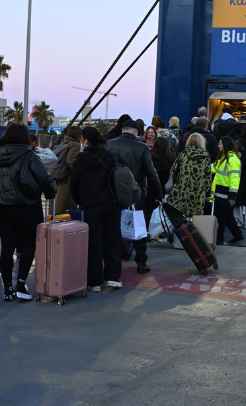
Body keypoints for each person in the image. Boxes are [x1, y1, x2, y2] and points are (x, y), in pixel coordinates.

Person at [0, 122, 56, 300]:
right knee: (28, 245)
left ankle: (7, 288)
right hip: (25, 206)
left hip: (0, 208)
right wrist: (50, 193)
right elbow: (43, 177)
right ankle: (21, 284)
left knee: (7, 247)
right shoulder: (28, 155)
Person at [69, 127, 122, 291]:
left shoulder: (80, 160)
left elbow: (74, 187)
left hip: (90, 206)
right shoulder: (111, 156)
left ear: (85, 140)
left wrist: (83, 201)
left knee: (93, 242)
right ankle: (112, 277)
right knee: (112, 239)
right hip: (111, 204)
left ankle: (94, 280)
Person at [107, 119, 163, 274]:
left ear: (123, 130)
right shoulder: (141, 147)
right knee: (139, 227)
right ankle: (141, 261)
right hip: (134, 193)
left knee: (115, 227)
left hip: (113, 193)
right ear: (136, 132)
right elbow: (152, 174)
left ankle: (115, 260)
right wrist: (158, 194)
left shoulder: (110, 144)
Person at [168, 133, 213, 220]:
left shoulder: (183, 155)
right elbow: (208, 178)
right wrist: (207, 193)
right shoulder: (206, 157)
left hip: (182, 193)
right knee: (195, 221)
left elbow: (173, 172)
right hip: (198, 194)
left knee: (180, 220)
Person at [211, 136, 245, 245]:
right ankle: (237, 235)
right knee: (227, 216)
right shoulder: (225, 158)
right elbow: (212, 168)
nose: (219, 145)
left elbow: (235, 179)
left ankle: (220, 239)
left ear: (225, 145)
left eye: (220, 143)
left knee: (221, 217)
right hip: (222, 191)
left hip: (225, 192)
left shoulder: (232, 159)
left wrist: (232, 196)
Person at [52, 125, 82, 216]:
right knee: (66, 210)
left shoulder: (62, 144)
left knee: (57, 208)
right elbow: (70, 161)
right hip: (68, 180)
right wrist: (79, 172)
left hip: (59, 178)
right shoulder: (75, 145)